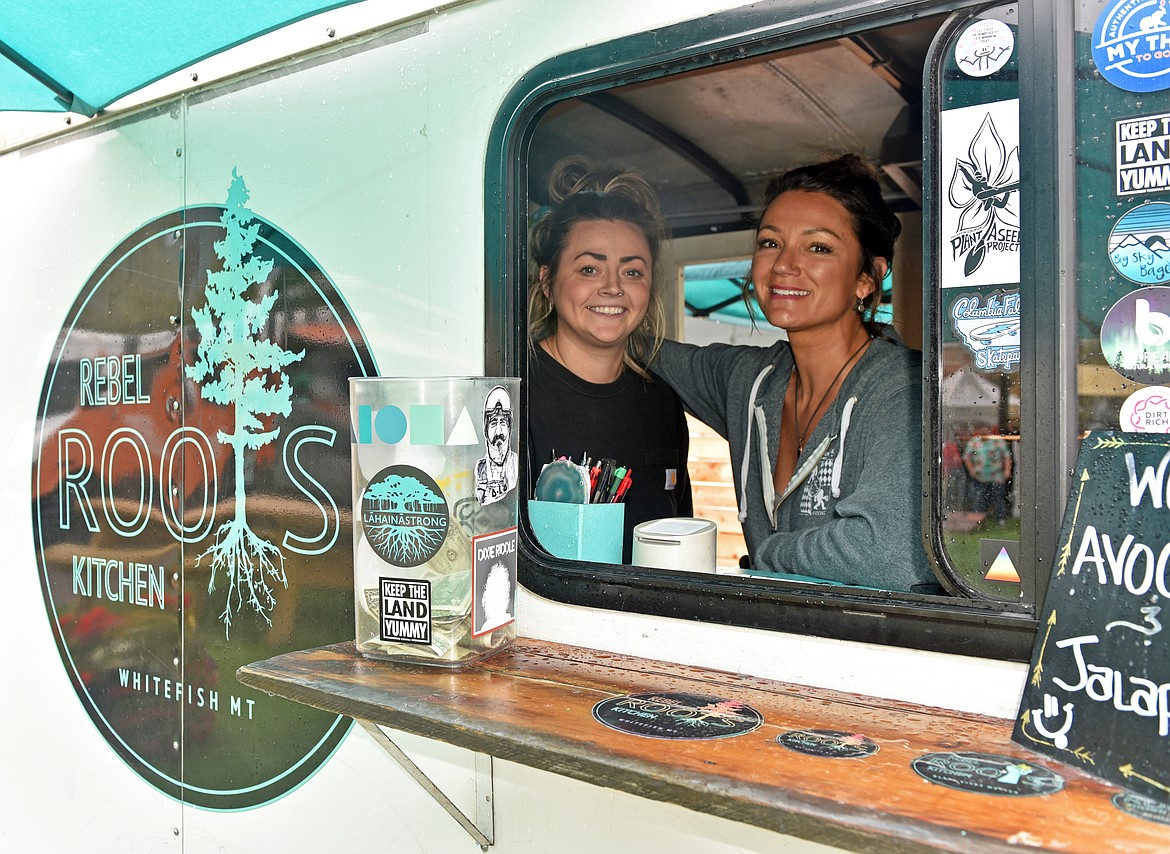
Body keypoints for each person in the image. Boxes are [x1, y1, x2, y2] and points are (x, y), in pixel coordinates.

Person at [652, 154, 936, 592]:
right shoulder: (748, 380)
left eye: (818, 247)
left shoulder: (902, 388)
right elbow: (641, 347)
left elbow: (888, 555)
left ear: (867, 277)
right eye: (770, 242)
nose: (784, 264)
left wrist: (762, 558)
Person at [527, 156, 692, 562]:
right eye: (589, 268)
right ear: (547, 281)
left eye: (632, 272)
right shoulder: (510, 394)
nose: (613, 288)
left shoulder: (663, 404)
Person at [475, 384, 519, 506]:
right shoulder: (481, 468)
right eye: (494, 423)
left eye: (503, 422)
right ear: (486, 428)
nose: (498, 432)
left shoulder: (515, 463)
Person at [962, 431, 1012, 526]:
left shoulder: (997, 441)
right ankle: (979, 521)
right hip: (979, 476)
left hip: (996, 475)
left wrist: (1007, 470)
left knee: (998, 497)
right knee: (979, 498)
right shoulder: (974, 442)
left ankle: (1001, 519)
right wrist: (971, 470)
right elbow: (966, 457)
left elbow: (1007, 455)